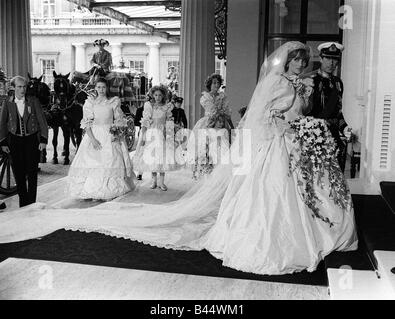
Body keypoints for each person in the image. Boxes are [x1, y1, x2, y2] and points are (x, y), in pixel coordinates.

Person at [0, 42, 357, 277]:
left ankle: (309, 231)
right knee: (270, 193)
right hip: (274, 143)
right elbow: (262, 116)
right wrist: (284, 124)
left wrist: (303, 124)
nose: (300, 64)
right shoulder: (277, 82)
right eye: (298, 60)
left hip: (290, 143)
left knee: (294, 192)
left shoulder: (305, 84)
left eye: (303, 61)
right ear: (289, 61)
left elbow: (294, 112)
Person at [67, 78, 135, 200]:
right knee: (93, 161)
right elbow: (87, 123)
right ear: (95, 88)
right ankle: (92, 190)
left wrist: (117, 133)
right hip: (95, 134)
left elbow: (119, 120)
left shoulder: (113, 102)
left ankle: (107, 189)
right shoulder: (90, 103)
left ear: (107, 88)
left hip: (110, 134)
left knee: (110, 160)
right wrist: (92, 139)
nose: (101, 90)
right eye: (98, 87)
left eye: (103, 87)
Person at [0, 76, 48, 207]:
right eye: (19, 87)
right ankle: (23, 203)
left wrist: (43, 139)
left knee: (32, 172)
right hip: (14, 141)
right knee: (19, 173)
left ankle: (32, 203)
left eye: (24, 87)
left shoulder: (33, 101)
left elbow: (42, 121)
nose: (22, 89)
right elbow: (2, 123)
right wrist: (3, 142)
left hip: (32, 140)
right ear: (13, 88)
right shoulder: (8, 102)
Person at [305, 42, 352, 171]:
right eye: (328, 58)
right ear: (321, 58)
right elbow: (303, 111)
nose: (331, 63)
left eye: (335, 59)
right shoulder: (310, 80)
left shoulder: (338, 83)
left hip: (333, 136)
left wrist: (345, 127)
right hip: (314, 135)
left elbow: (338, 112)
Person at [132, 85, 178, 191]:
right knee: (152, 157)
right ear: (152, 95)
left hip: (162, 134)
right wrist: (143, 135)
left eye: (160, 95)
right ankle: (153, 181)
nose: (157, 97)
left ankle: (161, 182)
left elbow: (169, 122)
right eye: (156, 95)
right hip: (151, 134)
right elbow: (145, 121)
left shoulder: (167, 107)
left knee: (161, 158)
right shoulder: (149, 106)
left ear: (163, 96)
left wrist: (170, 136)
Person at [187, 74, 233, 179]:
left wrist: (231, 126)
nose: (216, 85)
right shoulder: (205, 97)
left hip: (221, 123)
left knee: (221, 147)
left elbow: (227, 112)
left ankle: (220, 172)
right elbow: (212, 111)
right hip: (208, 123)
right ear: (210, 84)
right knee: (204, 146)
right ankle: (204, 170)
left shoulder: (223, 97)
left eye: (218, 83)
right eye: (214, 83)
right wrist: (218, 113)